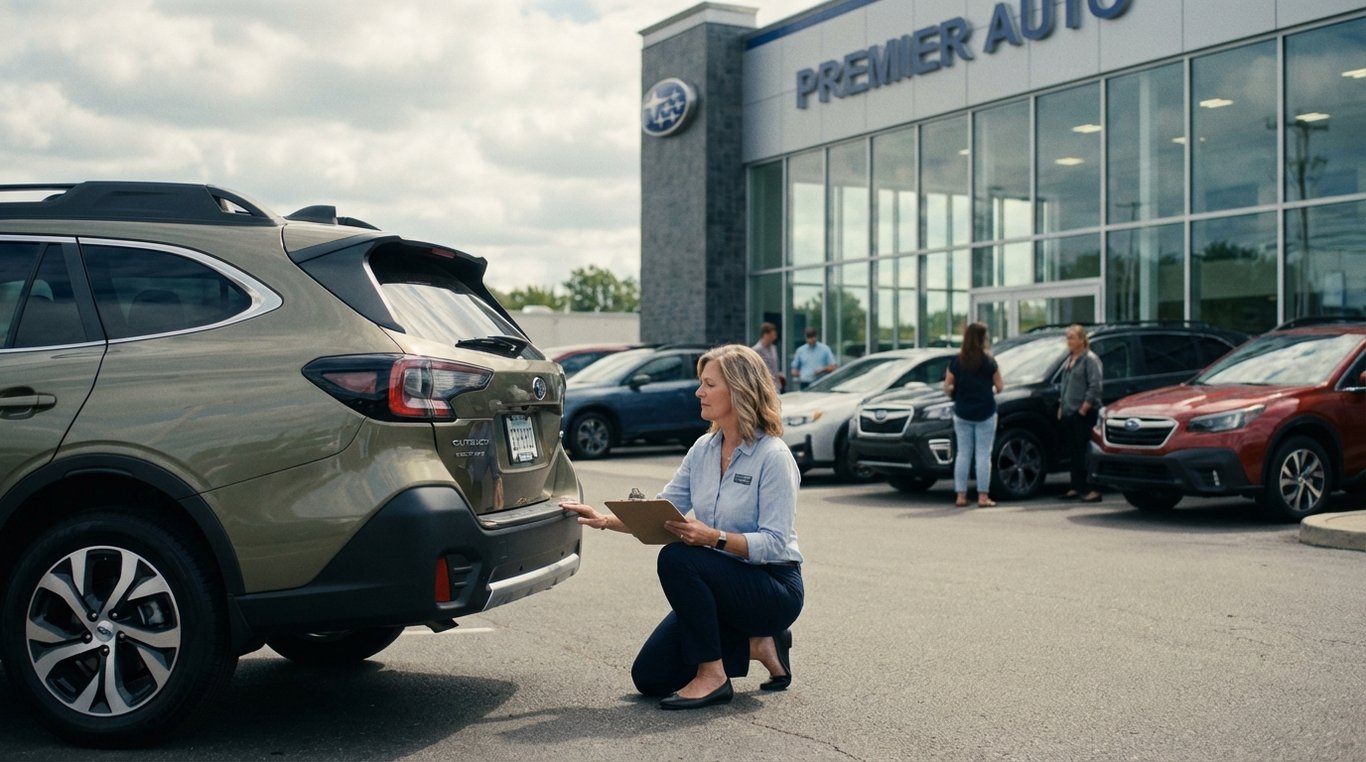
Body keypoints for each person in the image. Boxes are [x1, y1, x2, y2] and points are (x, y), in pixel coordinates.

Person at [561, 344, 803, 710]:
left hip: (770, 588)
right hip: (717, 581)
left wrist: (713, 538)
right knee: (650, 678)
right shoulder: (703, 449)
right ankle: (760, 644)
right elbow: (664, 511)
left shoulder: (773, 456)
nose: (698, 392)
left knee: (678, 557)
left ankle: (713, 676)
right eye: (700, 383)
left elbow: (773, 543)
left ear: (739, 390)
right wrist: (604, 520)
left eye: (709, 384)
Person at [943, 322, 1005, 508]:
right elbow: (1000, 386)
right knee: (983, 455)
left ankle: (961, 496)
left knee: (963, 454)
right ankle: (982, 496)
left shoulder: (957, 361)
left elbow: (947, 386)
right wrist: (987, 390)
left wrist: (957, 390)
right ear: (982, 338)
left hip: (962, 412)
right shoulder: (989, 361)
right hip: (986, 412)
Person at [1057, 324, 1104, 502]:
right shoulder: (1070, 359)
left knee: (1086, 450)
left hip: (1085, 413)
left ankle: (1094, 488)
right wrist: (1062, 406)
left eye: (1071, 337)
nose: (1068, 341)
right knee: (1073, 451)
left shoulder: (1090, 359)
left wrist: (1085, 407)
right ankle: (1075, 486)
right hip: (1069, 411)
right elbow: (1065, 384)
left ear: (1081, 339)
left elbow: (1095, 385)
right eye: (1067, 337)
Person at [752, 321, 784, 392]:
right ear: (765, 335)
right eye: (772, 336)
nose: (774, 338)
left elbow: (774, 366)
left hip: (775, 385)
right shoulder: (756, 350)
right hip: (764, 387)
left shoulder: (773, 348)